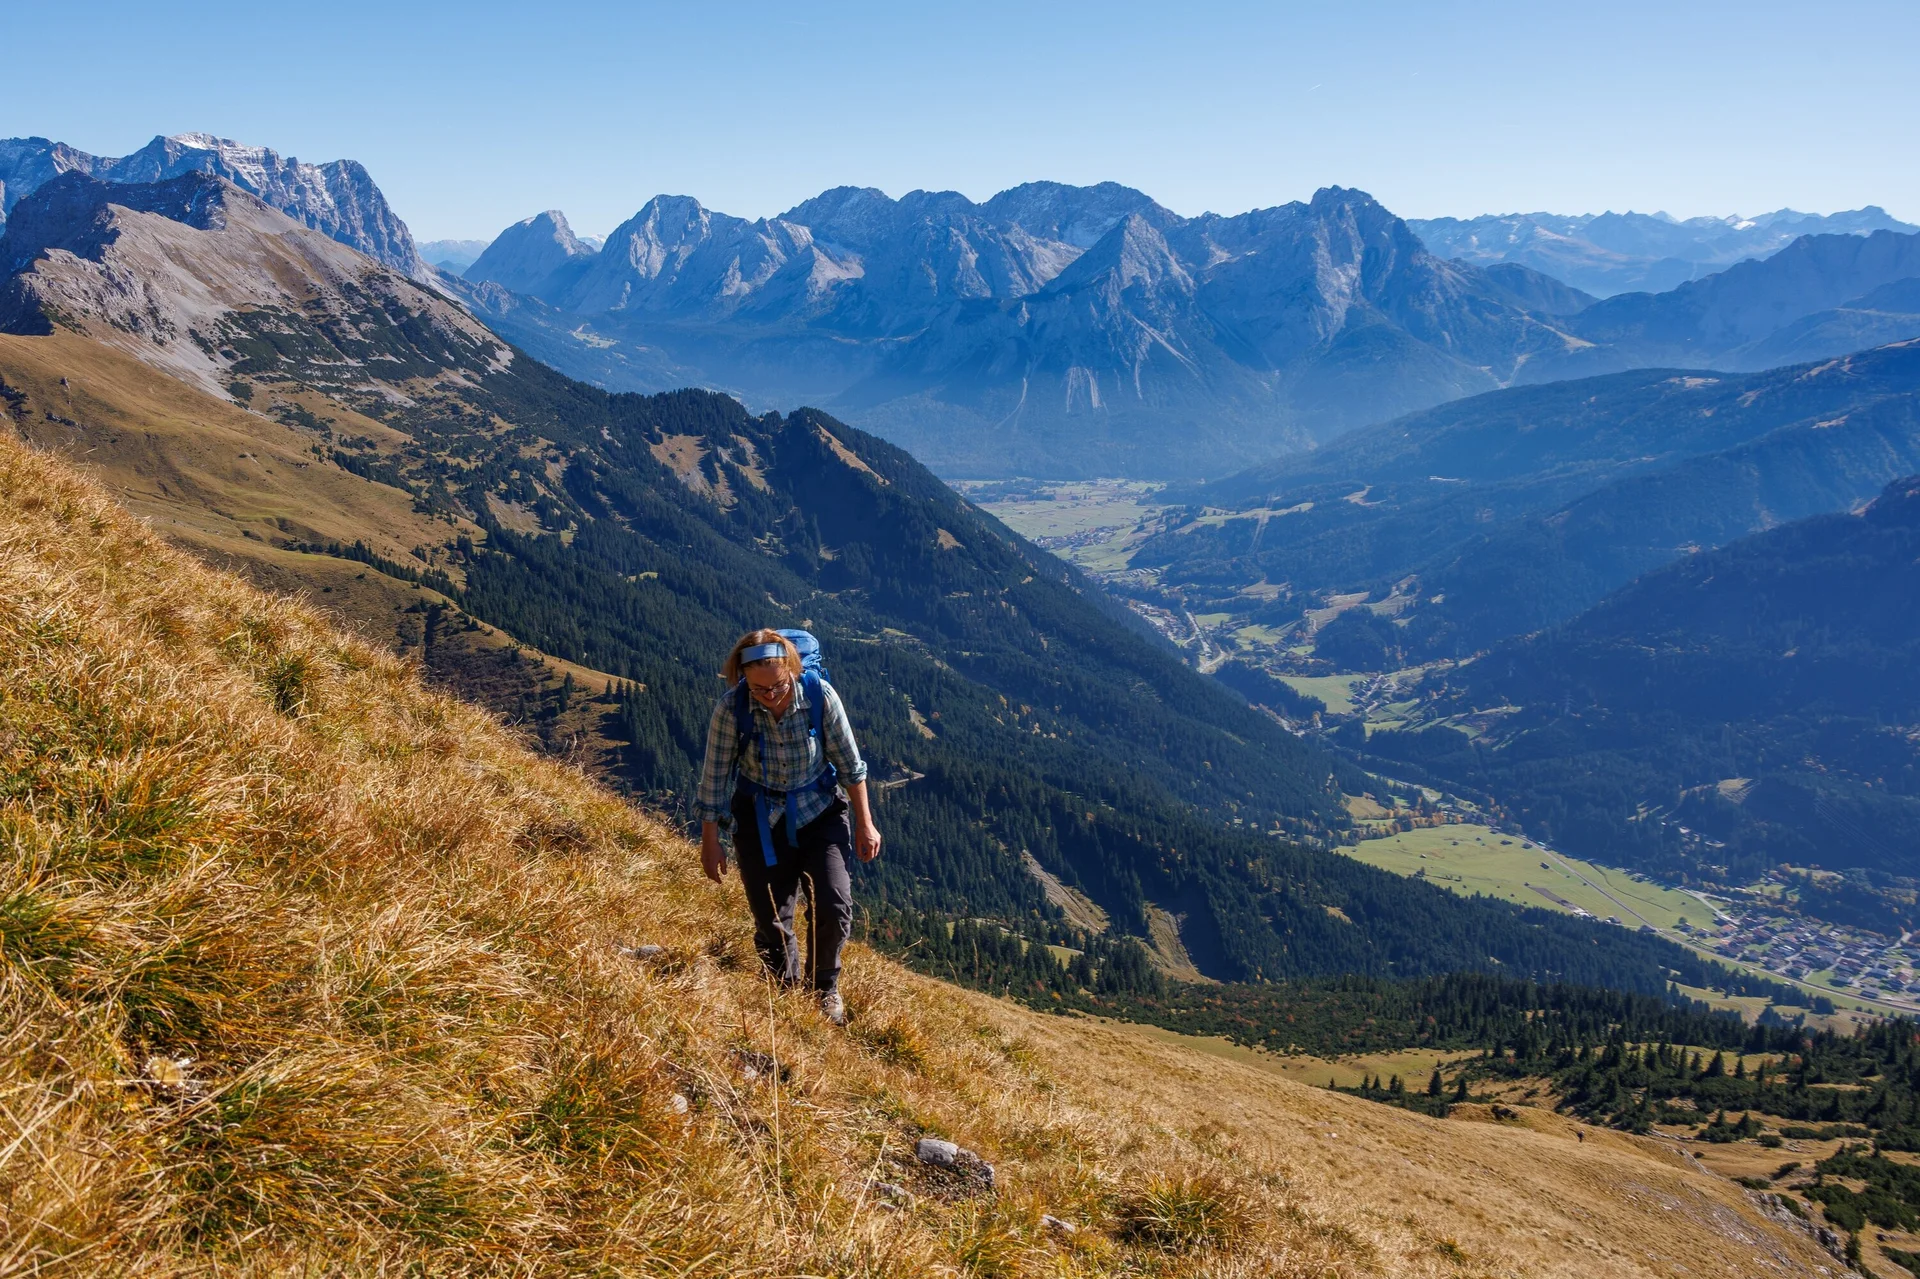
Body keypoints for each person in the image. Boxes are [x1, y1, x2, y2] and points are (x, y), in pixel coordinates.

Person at [697, 629, 881, 1024]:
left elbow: (851, 766)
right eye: (758, 688)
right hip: (758, 818)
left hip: (820, 812)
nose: (770, 695)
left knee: (833, 903)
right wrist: (710, 841)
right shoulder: (732, 709)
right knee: (771, 917)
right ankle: (783, 991)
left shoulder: (819, 697)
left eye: (778, 685)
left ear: (793, 671)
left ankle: (823, 988)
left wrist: (865, 823)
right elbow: (714, 778)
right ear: (742, 677)